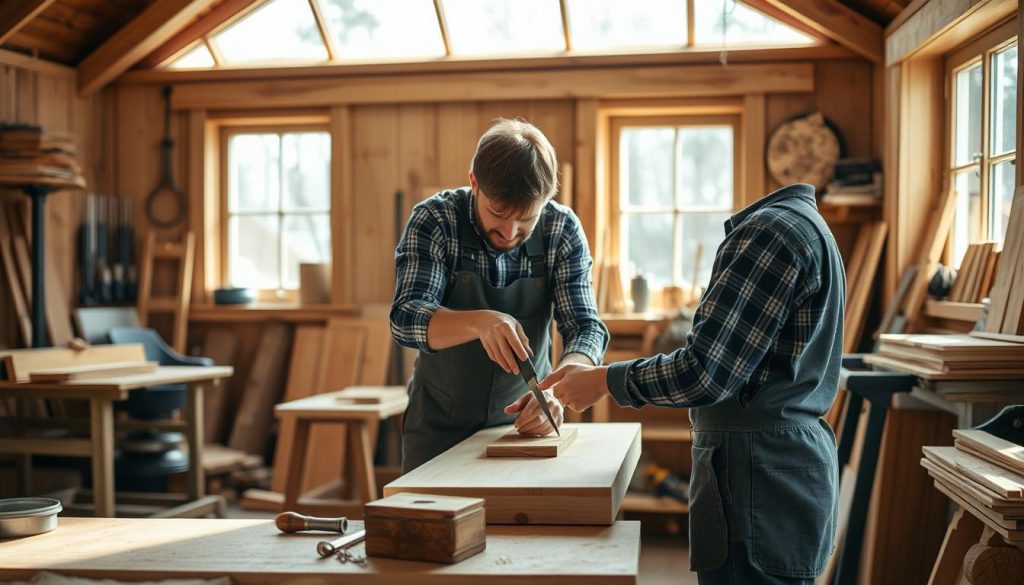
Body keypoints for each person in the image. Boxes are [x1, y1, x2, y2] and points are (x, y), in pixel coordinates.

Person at [540, 183, 844, 584]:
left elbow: (705, 372)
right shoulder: (806, 225)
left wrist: (604, 380)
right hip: (777, 469)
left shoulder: (768, 233)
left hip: (755, 475)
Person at [390, 118, 609, 474]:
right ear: (473, 182)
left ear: (547, 199)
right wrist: (481, 321)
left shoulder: (561, 228)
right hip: (438, 429)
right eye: (497, 213)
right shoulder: (435, 219)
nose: (509, 233)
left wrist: (557, 390)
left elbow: (586, 328)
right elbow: (406, 319)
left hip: (523, 429)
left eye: (525, 219)